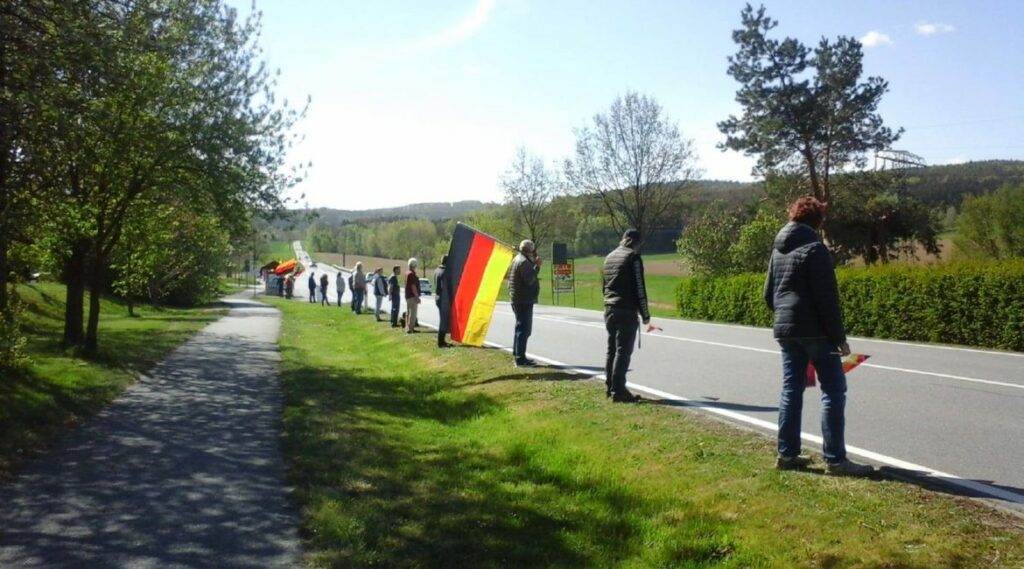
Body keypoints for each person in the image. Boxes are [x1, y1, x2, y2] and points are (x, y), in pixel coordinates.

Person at [764, 197, 872, 476]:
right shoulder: (816, 250)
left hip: (785, 330)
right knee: (834, 390)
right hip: (815, 331)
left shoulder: (777, 250)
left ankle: (787, 455)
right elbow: (827, 300)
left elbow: (768, 295)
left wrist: (785, 317)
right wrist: (839, 338)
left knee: (791, 389)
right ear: (818, 221)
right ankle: (835, 459)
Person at [602, 229, 656, 403]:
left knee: (612, 350)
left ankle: (610, 387)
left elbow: (605, 286)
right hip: (625, 309)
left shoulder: (609, 257)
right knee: (623, 352)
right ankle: (619, 391)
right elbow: (639, 287)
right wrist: (645, 315)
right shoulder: (633, 257)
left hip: (609, 308)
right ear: (636, 242)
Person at [508, 240, 541, 367]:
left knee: (520, 327)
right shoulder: (523, 262)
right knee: (524, 329)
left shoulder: (517, 259)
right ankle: (520, 359)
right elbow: (530, 280)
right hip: (523, 300)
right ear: (529, 251)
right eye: (533, 251)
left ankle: (518, 355)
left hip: (518, 299)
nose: (534, 253)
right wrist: (537, 266)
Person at [434, 255, 452, 347]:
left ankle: (442, 340)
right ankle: (441, 342)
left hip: (437, 297)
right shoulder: (444, 272)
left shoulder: (437, 270)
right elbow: (444, 287)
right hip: (443, 298)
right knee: (443, 321)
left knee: (443, 320)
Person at [404, 258, 421, 333]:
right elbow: (413, 286)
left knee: (409, 312)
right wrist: (417, 297)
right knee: (413, 313)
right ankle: (410, 328)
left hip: (408, 295)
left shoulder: (407, 273)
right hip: (412, 296)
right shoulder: (411, 274)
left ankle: (407, 327)